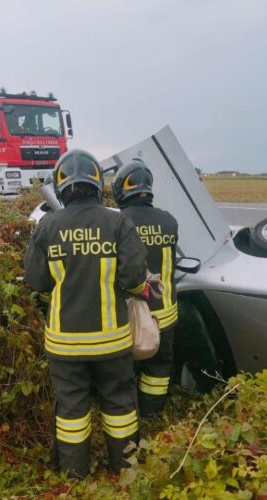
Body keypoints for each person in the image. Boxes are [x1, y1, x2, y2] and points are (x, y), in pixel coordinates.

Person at [24, 149, 148, 478]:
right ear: (98, 183)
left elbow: (35, 282)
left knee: (72, 411)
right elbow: (136, 279)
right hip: (113, 343)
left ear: (62, 185)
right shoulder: (118, 221)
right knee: (120, 405)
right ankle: (127, 471)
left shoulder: (47, 226)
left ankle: (74, 476)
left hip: (65, 345)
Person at [112, 160, 179, 418]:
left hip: (130, 318)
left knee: (125, 369)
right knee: (159, 370)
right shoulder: (169, 221)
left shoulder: (117, 223)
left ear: (120, 189)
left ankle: (129, 413)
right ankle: (152, 416)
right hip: (166, 316)